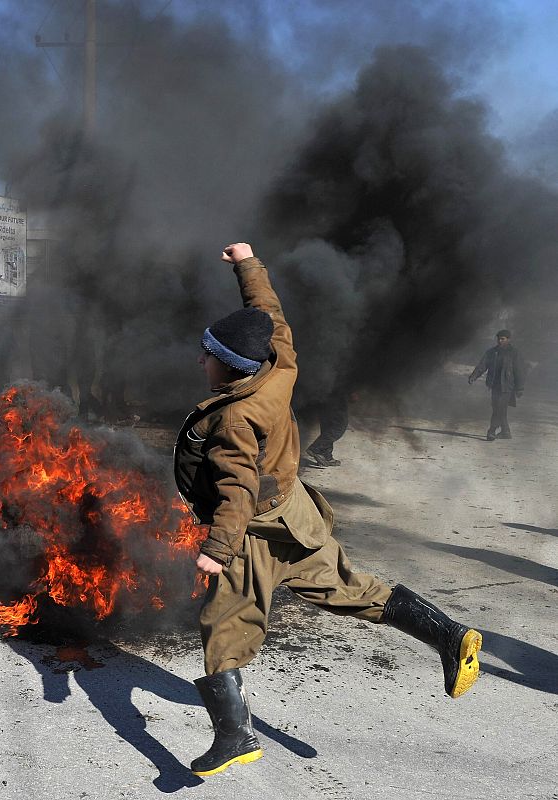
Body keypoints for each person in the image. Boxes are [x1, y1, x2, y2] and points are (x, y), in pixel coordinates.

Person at [174, 243, 482, 778]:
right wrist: (249, 264)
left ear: (227, 368)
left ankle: (234, 738)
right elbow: (271, 318)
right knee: (348, 589)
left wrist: (216, 550)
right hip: (298, 515)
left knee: (224, 625)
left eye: (206, 355)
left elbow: (237, 490)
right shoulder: (279, 367)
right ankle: (449, 635)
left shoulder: (235, 420)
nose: (198, 360)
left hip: (256, 532)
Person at [468, 329, 525, 441]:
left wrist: (520, 388)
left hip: (507, 386)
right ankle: (506, 432)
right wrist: (473, 376)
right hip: (495, 385)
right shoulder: (492, 352)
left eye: (502, 339)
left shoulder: (514, 353)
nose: (500, 341)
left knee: (499, 408)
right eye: (498, 339)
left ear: (508, 339)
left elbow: (519, 371)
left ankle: (492, 431)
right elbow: (482, 365)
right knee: (498, 408)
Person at [305, 363, 349, 467]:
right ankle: (317, 448)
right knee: (339, 425)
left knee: (328, 423)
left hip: (323, 389)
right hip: (334, 390)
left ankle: (326, 454)